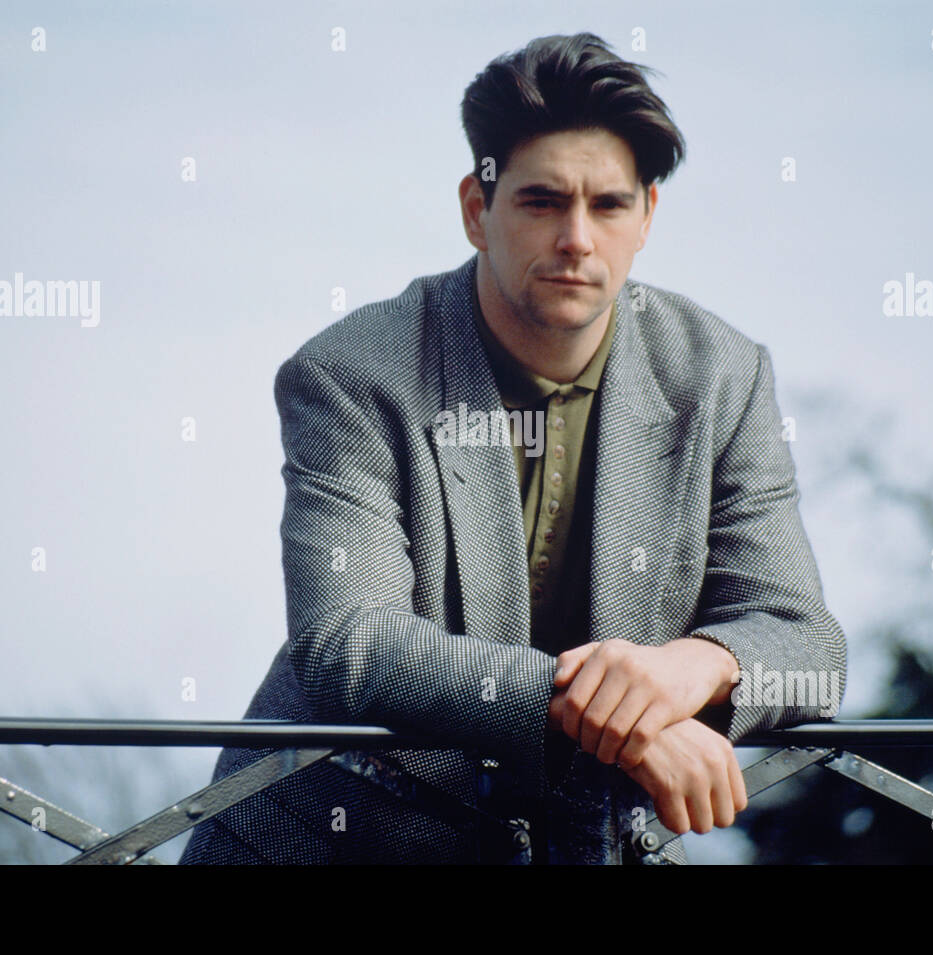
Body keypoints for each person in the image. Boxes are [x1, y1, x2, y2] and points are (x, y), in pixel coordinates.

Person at [180, 31, 847, 865]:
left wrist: (686, 670)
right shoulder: (351, 372)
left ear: (646, 218)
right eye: (541, 202)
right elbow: (349, 642)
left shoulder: (723, 376)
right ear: (476, 209)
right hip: (335, 841)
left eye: (608, 205)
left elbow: (809, 649)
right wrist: (609, 721)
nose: (576, 237)